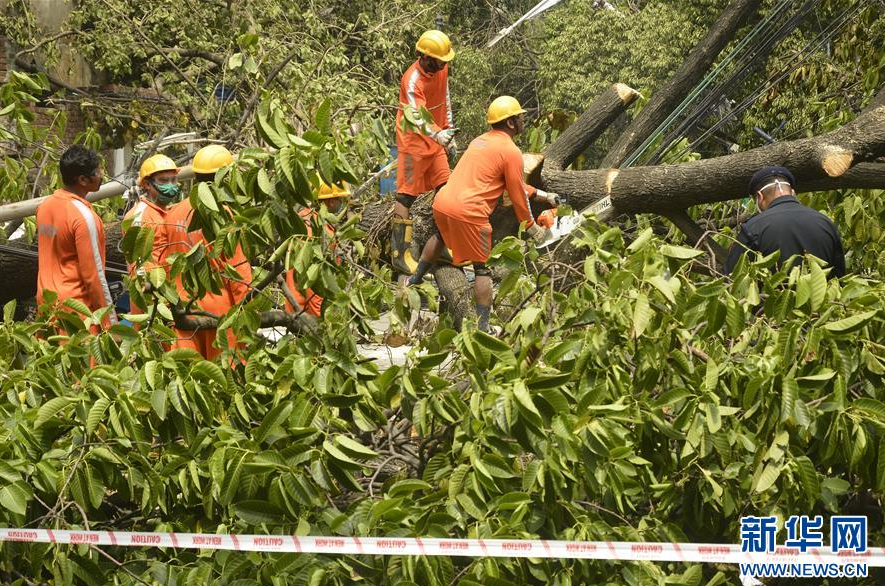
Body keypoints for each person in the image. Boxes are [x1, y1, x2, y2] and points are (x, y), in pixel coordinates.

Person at [408, 96, 557, 333]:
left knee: (440, 235)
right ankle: (483, 327)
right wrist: (532, 227)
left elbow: (513, 184)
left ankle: (413, 280)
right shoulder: (510, 151)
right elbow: (517, 195)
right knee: (482, 269)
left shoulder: (481, 141)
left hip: (444, 202)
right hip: (469, 212)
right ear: (510, 123)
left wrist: (544, 195)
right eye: (520, 117)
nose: (523, 121)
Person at [162, 144, 252, 359]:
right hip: (220, 316)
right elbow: (238, 274)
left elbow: (165, 264)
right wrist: (248, 315)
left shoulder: (173, 213)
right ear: (226, 177)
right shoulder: (225, 215)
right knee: (226, 381)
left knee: (191, 382)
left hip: (183, 311)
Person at [392, 29, 457, 275]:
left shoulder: (442, 70)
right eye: (440, 60)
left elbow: (445, 100)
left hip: (437, 139)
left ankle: (441, 245)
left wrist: (448, 133)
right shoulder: (411, 80)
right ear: (426, 57)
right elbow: (417, 116)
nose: (444, 65)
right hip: (413, 142)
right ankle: (400, 254)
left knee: (446, 191)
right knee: (406, 196)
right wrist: (437, 134)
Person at [36, 145, 117, 328]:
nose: (101, 175)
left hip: (47, 304)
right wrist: (109, 321)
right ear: (82, 179)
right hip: (77, 310)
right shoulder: (83, 216)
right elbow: (94, 275)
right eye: (97, 172)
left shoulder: (44, 207)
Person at [724, 166, 845, 277]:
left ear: (760, 197)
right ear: (793, 192)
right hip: (821, 299)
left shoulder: (752, 228)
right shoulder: (825, 222)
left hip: (772, 299)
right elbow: (840, 276)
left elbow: (733, 277)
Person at [122, 154, 180, 314]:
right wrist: (155, 301)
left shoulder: (169, 212)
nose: (171, 186)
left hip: (171, 298)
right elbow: (138, 266)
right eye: (163, 181)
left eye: (173, 180)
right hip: (151, 303)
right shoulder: (139, 216)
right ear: (147, 184)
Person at [284, 180, 349, 318]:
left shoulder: (304, 218)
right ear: (331, 201)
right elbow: (314, 281)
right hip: (307, 312)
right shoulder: (317, 229)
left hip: (296, 308)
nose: (342, 203)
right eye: (340, 199)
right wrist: (320, 318)